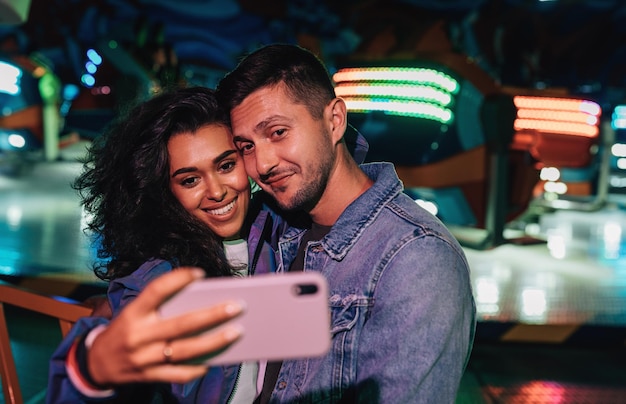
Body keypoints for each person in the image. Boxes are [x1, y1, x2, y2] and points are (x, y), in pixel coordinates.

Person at [47, 85, 369, 403]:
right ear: (164, 192)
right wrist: (92, 370)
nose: (216, 191)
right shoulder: (158, 280)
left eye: (226, 165)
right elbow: (100, 376)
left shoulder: (274, 226)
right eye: (190, 180)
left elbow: (333, 166)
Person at [214, 43, 476, 403]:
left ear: (335, 120)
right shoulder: (276, 229)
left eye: (277, 133)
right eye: (246, 146)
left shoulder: (416, 256)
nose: (263, 164)